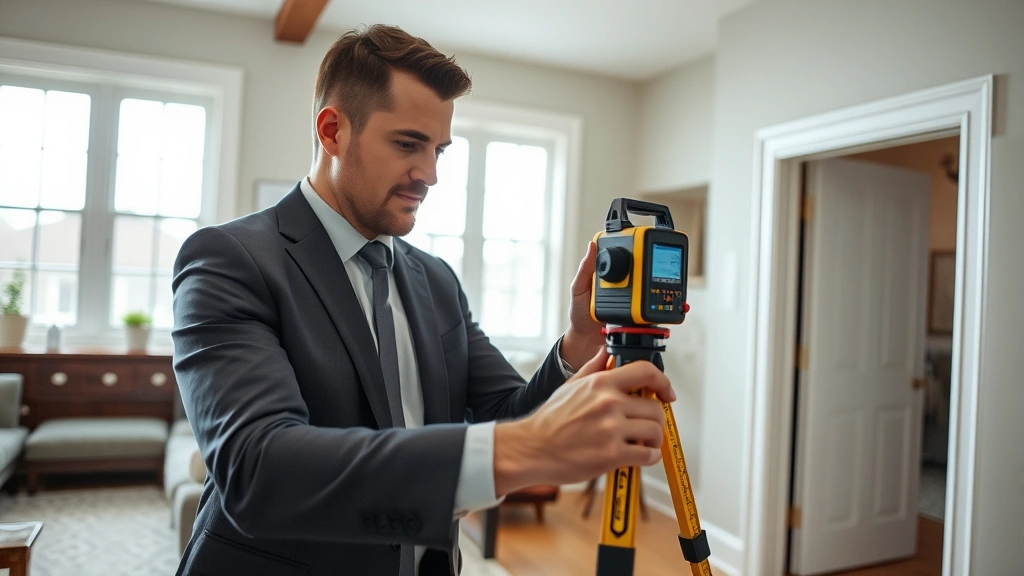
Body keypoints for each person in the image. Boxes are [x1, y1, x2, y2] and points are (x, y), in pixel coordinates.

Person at [171, 24, 675, 576]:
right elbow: (258, 471)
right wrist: (523, 448)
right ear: (332, 130)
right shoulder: (228, 259)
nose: (430, 175)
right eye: (408, 144)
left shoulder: (436, 281)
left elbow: (509, 414)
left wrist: (579, 341)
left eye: (439, 150)